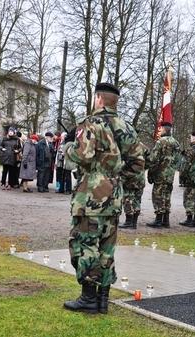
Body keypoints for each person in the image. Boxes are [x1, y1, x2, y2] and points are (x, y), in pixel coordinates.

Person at [63, 82, 143, 315]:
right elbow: (138, 163)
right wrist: (114, 179)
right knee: (107, 247)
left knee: (84, 243)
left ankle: (89, 297)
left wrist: (69, 145)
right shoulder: (126, 127)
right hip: (114, 195)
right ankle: (102, 299)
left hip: (90, 195)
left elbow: (82, 155)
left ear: (99, 99)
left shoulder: (92, 123)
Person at [146, 121, 180, 228]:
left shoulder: (161, 142)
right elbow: (178, 160)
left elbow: (154, 159)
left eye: (160, 129)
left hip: (160, 173)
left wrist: (151, 171)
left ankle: (158, 220)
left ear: (164, 129)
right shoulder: (176, 143)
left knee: (158, 196)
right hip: (170, 174)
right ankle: (166, 220)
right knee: (167, 196)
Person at [119, 141, 146, 230]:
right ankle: (134, 222)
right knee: (137, 199)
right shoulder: (142, 145)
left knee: (127, 198)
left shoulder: (126, 146)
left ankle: (129, 221)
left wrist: (122, 171)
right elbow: (150, 160)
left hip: (129, 176)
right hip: (140, 177)